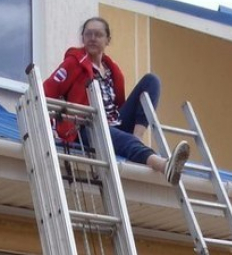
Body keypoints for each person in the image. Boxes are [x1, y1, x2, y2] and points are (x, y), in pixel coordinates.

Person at [43, 16, 190, 186]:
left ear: (107, 40)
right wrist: (51, 127)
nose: (92, 38)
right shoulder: (73, 63)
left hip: (115, 123)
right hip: (87, 127)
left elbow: (119, 104)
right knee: (124, 141)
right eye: (88, 34)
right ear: (82, 38)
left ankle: (137, 137)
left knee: (152, 80)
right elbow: (47, 92)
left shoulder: (113, 71)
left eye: (98, 34)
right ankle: (165, 166)